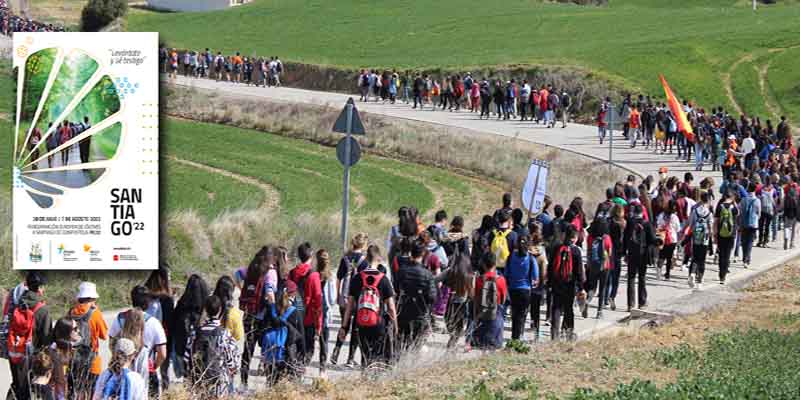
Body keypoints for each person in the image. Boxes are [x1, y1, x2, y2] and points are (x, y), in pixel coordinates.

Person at [338, 254, 397, 369]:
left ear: (366, 259)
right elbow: (391, 307)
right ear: (378, 259)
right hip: (378, 324)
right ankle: (374, 379)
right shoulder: (384, 279)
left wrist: (344, 327)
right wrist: (395, 326)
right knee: (377, 357)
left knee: (365, 356)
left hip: (361, 323)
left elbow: (349, 307)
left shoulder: (357, 278)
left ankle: (365, 375)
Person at [108, 286, 165, 399]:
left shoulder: (120, 318)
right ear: (148, 302)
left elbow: (111, 343)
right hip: (147, 371)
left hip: (122, 369)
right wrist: (154, 366)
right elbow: (162, 353)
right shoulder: (154, 323)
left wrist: (118, 358)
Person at [6, 272, 52, 400]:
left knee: (17, 385)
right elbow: (47, 338)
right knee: (31, 389)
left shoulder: (16, 303)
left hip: (15, 352)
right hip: (32, 356)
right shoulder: (42, 309)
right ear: (40, 288)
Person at [184, 295, 239, 399]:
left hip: (198, 378)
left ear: (206, 310)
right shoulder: (224, 334)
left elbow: (186, 357)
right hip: (219, 381)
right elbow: (231, 362)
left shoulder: (195, 333)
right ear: (220, 310)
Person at [393, 240, 437, 353]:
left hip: (403, 314)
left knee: (401, 347)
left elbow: (395, 291)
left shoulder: (401, 272)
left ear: (410, 253)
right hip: (420, 315)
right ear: (422, 254)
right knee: (416, 348)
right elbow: (432, 297)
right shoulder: (427, 274)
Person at [332, 233, 369, 367]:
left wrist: (337, 295)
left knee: (344, 324)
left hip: (345, 295)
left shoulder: (345, 258)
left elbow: (338, 278)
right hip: (357, 297)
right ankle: (350, 358)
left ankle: (336, 350)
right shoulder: (364, 261)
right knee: (356, 328)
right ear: (364, 245)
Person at [67, 282, 107, 400]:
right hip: (92, 361)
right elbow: (104, 335)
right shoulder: (95, 314)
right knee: (91, 393)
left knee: (74, 391)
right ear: (92, 298)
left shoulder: (71, 312)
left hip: (73, 359)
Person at [260, 280, 304, 385]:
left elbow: (261, 330)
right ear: (292, 295)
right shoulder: (294, 312)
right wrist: (302, 354)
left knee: (271, 382)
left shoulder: (270, 309)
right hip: (287, 353)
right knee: (285, 383)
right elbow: (301, 337)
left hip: (270, 353)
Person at [548, 226, 585, 341]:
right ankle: (569, 334)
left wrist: (549, 283)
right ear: (574, 237)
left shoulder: (556, 247)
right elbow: (579, 271)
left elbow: (550, 267)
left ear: (565, 235)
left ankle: (554, 336)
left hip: (556, 283)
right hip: (569, 284)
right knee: (568, 308)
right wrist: (581, 288)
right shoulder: (576, 251)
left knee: (556, 309)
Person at [288, 242, 322, 365]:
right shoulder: (314, 275)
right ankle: (300, 371)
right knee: (307, 349)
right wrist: (319, 325)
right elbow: (318, 303)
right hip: (308, 319)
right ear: (311, 255)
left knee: (293, 347)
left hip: (292, 317)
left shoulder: (291, 273)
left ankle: (293, 369)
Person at [171, 274, 209, 381]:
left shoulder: (181, 306)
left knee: (187, 379)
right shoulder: (206, 308)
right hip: (202, 354)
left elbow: (174, 328)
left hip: (183, 351)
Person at [435, 243, 473, 349]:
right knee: (459, 327)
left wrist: (438, 291)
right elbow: (472, 292)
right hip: (463, 304)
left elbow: (435, 280)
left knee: (450, 325)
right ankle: (453, 343)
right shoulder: (469, 274)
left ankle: (452, 341)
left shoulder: (450, 271)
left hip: (450, 301)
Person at [143, 264, 174, 391]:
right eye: (169, 277)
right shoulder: (167, 298)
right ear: (163, 278)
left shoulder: (145, 293)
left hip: (146, 335)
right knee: (163, 369)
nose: (170, 279)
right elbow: (170, 318)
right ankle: (165, 392)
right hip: (163, 335)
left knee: (146, 366)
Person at [623, 204, 657, 311]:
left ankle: (630, 304)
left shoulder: (630, 222)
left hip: (632, 253)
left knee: (631, 278)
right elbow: (652, 239)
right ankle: (641, 302)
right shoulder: (647, 224)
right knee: (642, 278)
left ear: (633, 212)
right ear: (642, 212)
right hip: (643, 254)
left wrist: (624, 252)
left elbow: (625, 239)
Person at [505, 235, 538, 340]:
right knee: (522, 314)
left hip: (512, 289)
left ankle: (514, 336)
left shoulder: (511, 256)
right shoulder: (531, 258)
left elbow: (506, 273)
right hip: (525, 290)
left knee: (514, 314)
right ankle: (520, 335)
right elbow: (535, 276)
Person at [472, 253, 507, 349]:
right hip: (496, 315)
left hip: (481, 315)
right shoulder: (501, 280)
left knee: (480, 346)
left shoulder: (479, 280)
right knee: (494, 347)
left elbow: (476, 299)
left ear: (483, 264)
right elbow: (503, 299)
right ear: (495, 264)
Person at [585, 219, 613, 319]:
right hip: (605, 266)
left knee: (592, 287)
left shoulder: (590, 237)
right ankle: (599, 312)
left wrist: (588, 263)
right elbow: (609, 253)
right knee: (602, 288)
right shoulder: (607, 238)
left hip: (593, 265)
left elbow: (588, 251)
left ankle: (587, 302)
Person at [315, 249, 336, 375]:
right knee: (324, 341)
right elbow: (332, 299)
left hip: (313, 313)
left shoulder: (313, 275)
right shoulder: (330, 277)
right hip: (325, 313)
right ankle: (322, 370)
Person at [687, 191, 713, 289]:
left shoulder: (695, 211)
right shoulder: (709, 213)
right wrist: (711, 238)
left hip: (696, 237)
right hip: (704, 239)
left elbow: (691, 224)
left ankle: (692, 273)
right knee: (702, 260)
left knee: (695, 257)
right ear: (708, 200)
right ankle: (699, 282)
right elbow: (710, 226)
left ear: (701, 199)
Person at [528, 223, 548, 341]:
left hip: (526, 284)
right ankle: (536, 331)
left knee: (525, 308)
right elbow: (544, 271)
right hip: (538, 285)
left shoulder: (526, 252)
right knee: (536, 309)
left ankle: (519, 332)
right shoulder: (542, 254)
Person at [715, 191, 739, 284]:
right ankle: (724, 276)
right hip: (731, 233)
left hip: (720, 233)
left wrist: (715, 233)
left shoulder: (720, 206)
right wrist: (734, 203)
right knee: (727, 254)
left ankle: (721, 275)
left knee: (721, 254)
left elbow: (716, 220)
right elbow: (738, 214)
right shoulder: (734, 207)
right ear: (732, 197)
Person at [656, 200, 681, 280]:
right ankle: (667, 274)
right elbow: (678, 229)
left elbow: (658, 225)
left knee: (661, 256)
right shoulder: (674, 217)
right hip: (672, 239)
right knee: (669, 258)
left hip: (662, 238)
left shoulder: (661, 215)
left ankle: (659, 272)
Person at [740, 182, 761, 268]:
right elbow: (759, 214)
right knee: (750, 242)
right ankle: (747, 259)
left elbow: (740, 211)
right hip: (753, 224)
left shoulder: (743, 199)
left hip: (744, 223)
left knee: (744, 241)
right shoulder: (757, 200)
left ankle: (744, 257)